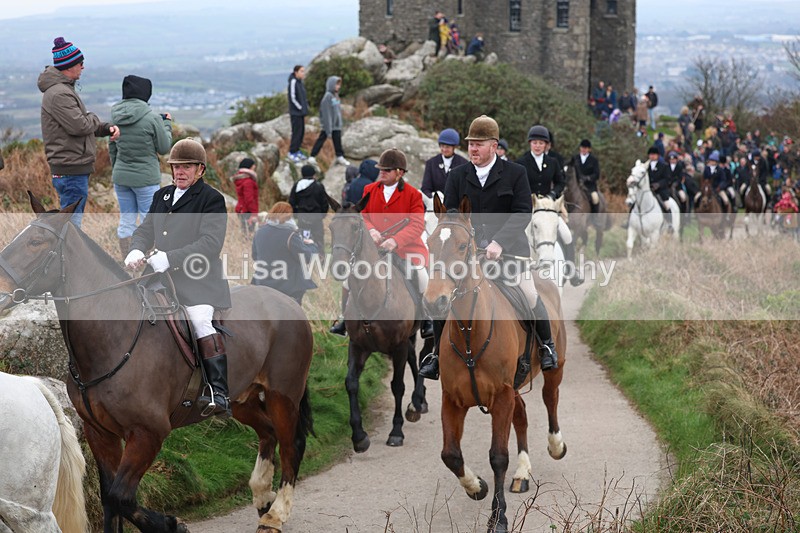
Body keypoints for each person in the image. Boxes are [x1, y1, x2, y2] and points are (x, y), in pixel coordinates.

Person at [419, 115, 559, 387]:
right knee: (443, 296)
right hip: (466, 254)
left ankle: (546, 347)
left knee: (529, 294)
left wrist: (499, 243)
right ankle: (436, 355)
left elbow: (522, 213)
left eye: (479, 144)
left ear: (494, 146)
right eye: (471, 144)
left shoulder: (516, 173)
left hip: (508, 253)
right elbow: (450, 216)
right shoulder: (458, 175)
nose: (472, 149)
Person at [124, 139, 232, 417]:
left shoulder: (212, 199)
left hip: (198, 278)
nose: (179, 172)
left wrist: (170, 257)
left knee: (199, 321)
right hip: (158, 277)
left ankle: (218, 392)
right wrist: (136, 248)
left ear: (200, 170)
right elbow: (146, 229)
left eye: (186, 167)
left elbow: (210, 243)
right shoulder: (163, 196)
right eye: (175, 167)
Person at [330, 149, 431, 338]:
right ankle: (345, 319)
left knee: (421, 275)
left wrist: (395, 240)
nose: (381, 173)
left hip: (406, 249)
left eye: (386, 170)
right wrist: (372, 230)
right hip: (373, 250)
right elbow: (362, 216)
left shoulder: (413, 195)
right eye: (381, 169)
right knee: (347, 279)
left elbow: (417, 224)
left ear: (399, 173)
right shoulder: (369, 190)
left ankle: (426, 320)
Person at [39, 37, 120, 227]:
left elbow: (81, 123)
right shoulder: (59, 94)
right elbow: (80, 125)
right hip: (71, 169)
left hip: (71, 168)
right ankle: (65, 256)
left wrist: (106, 128)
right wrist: (92, 117)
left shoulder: (62, 90)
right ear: (70, 65)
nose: (83, 67)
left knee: (70, 224)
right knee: (71, 227)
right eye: (80, 63)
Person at [108, 74, 171, 259]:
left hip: (121, 176)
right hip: (146, 178)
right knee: (148, 220)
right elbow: (164, 147)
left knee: (126, 220)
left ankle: (128, 260)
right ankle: (147, 261)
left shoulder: (115, 116)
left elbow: (112, 147)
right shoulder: (152, 118)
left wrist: (118, 169)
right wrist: (166, 124)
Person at [251, 202, 318, 305]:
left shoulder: (259, 232)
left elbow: (255, 256)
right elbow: (306, 258)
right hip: (289, 287)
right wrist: (311, 245)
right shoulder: (291, 235)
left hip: (262, 283)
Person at [308, 76, 349, 166]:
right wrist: (328, 128)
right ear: (331, 85)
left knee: (337, 141)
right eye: (336, 85)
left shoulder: (336, 96)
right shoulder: (327, 97)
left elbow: (337, 110)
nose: (338, 87)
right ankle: (312, 156)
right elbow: (326, 113)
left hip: (336, 125)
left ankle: (340, 156)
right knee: (321, 139)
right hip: (329, 125)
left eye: (339, 84)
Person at [289, 164, 329, 250]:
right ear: (313, 174)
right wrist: (322, 215)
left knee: (303, 240)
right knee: (319, 241)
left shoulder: (297, 186)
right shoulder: (319, 186)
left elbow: (291, 202)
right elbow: (325, 203)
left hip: (302, 218)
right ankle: (321, 260)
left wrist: (296, 214)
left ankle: (303, 260)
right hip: (316, 218)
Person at [421, 128, 468, 198]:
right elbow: (425, 188)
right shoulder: (431, 163)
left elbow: (465, 188)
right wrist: (434, 196)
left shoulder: (463, 163)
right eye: (442, 146)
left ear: (454, 147)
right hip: (435, 203)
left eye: (447, 147)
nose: (444, 149)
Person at [287, 65, 309, 163]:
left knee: (301, 132)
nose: (303, 73)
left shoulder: (300, 83)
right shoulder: (293, 82)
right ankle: (292, 152)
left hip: (301, 113)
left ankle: (297, 150)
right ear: (296, 72)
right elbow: (292, 97)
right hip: (295, 113)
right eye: (301, 71)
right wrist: (300, 107)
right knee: (296, 132)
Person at [232, 157, 259, 233]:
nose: (254, 169)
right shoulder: (248, 182)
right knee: (249, 234)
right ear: (249, 167)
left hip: (241, 209)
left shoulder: (241, 179)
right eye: (253, 167)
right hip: (247, 211)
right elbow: (249, 199)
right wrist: (254, 213)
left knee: (244, 232)